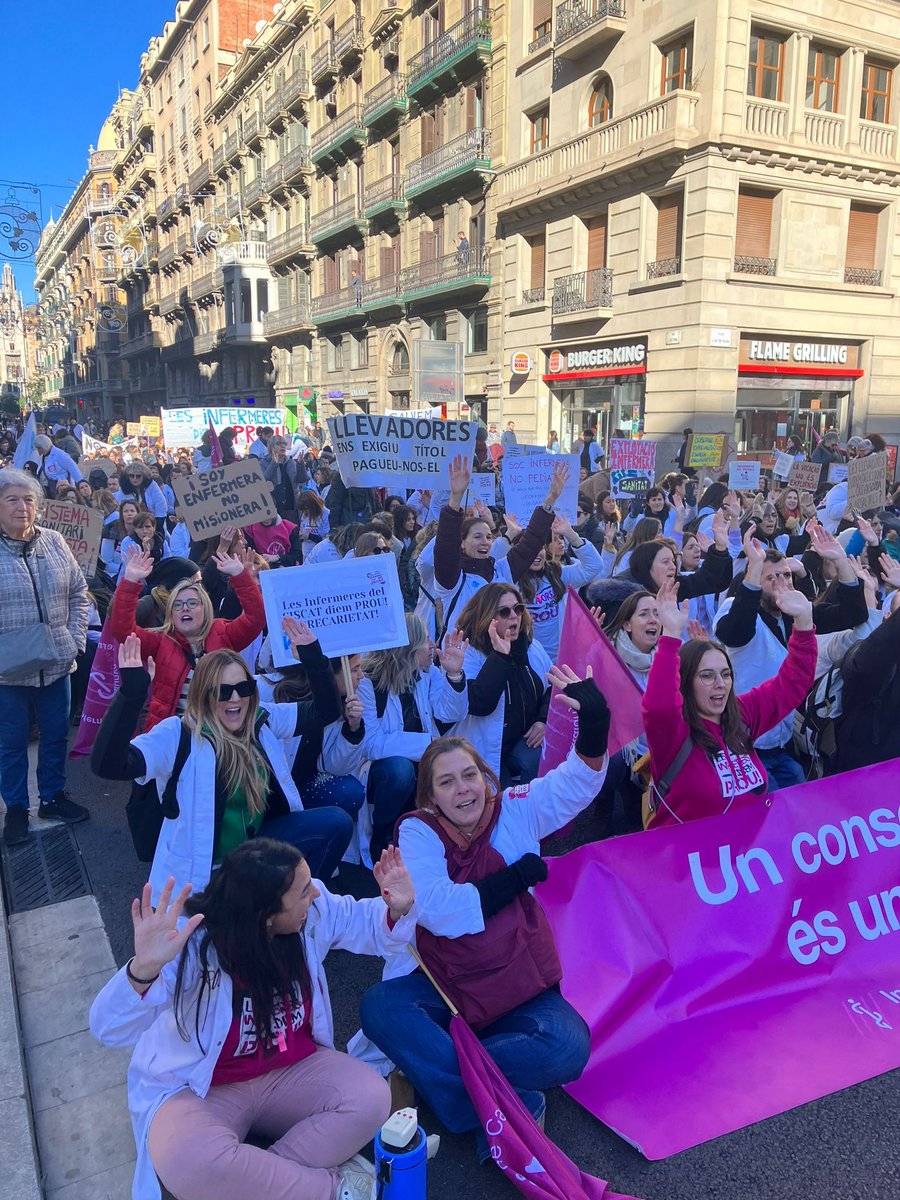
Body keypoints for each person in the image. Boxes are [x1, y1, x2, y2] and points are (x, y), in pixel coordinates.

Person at [359, 668, 610, 1153]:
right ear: (431, 798)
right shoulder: (417, 831)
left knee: (569, 1048)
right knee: (379, 1007)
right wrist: (514, 879)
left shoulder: (512, 807)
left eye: (470, 775)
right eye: (447, 783)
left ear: (486, 777)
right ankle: (499, 1102)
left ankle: (456, 1091)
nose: (464, 790)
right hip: (449, 984)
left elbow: (575, 785)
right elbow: (440, 911)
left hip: (520, 982)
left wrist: (594, 722)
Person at [89, 840, 416, 1200]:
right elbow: (106, 1027)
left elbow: (362, 922)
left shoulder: (311, 915)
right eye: (304, 892)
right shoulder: (192, 947)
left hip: (292, 1072)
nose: (316, 895)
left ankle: (258, 1181)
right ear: (267, 915)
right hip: (205, 1088)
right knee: (188, 1159)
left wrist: (396, 909)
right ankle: (333, 1189)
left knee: (370, 1096)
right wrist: (143, 970)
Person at [92, 635, 351, 892]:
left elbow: (326, 711)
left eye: (244, 688)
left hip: (257, 847)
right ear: (204, 695)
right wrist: (131, 695)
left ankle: (296, 902)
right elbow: (108, 765)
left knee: (336, 822)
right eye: (223, 691)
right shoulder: (178, 734)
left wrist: (313, 657)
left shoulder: (261, 720)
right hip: (208, 870)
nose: (235, 699)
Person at [642, 576, 817, 826]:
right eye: (706, 675)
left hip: (749, 858)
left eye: (725, 674)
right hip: (691, 861)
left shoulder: (741, 715)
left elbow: (791, 684)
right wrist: (670, 635)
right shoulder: (673, 732)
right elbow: (658, 706)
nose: (720, 683)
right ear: (685, 683)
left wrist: (803, 621)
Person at [714, 523, 867, 789]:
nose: (781, 584)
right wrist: (754, 567)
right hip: (743, 741)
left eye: (785, 576)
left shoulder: (792, 613)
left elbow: (853, 615)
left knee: (798, 799)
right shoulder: (736, 607)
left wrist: (840, 561)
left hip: (781, 738)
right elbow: (735, 631)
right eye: (770, 578)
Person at [0, 467, 90, 845]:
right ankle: (17, 809)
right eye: (12, 500)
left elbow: (78, 592)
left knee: (55, 736)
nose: (23, 507)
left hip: (57, 663)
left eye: (29, 499)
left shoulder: (54, 541)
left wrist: (74, 640)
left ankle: (52, 797)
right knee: (11, 742)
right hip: (8, 674)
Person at [109, 546, 266, 728]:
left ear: (205, 607)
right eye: (178, 605)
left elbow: (256, 618)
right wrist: (130, 581)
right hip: (173, 736)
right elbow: (122, 630)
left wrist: (241, 576)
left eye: (192, 603)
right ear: (171, 613)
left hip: (218, 733)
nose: (185, 608)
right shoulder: (161, 641)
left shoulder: (224, 633)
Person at [357, 617, 469, 860]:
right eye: (425, 639)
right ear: (407, 646)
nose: (432, 645)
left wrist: (454, 674)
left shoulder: (426, 674)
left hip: (423, 763)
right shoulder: (368, 683)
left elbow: (451, 713)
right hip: (383, 773)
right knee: (400, 770)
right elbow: (370, 744)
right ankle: (383, 836)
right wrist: (427, 744)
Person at [431, 454, 568, 635]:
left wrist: (550, 499)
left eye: (489, 537)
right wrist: (455, 498)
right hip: (465, 660)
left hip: (500, 655)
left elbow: (531, 542)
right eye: (477, 537)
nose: (485, 542)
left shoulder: (501, 570)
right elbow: (445, 549)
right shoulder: (453, 579)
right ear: (462, 543)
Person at [452, 582, 552, 786]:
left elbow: (553, 686)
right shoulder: (468, 652)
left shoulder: (530, 646)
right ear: (488, 617)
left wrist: (543, 720)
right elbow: (479, 704)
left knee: (536, 762)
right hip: (483, 748)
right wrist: (500, 656)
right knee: (498, 807)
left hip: (522, 740)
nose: (514, 616)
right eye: (504, 612)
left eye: (518, 608)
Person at [513, 515, 604, 659]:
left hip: (563, 657)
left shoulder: (556, 573)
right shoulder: (510, 580)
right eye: (529, 549)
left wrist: (570, 534)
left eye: (540, 548)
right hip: (530, 658)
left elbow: (594, 566)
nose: (536, 553)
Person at [115, 460, 167, 524]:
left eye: (138, 476)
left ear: (144, 476)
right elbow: (120, 508)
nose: (135, 478)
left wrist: (157, 523)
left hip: (153, 522)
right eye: (131, 476)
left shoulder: (152, 485)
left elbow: (161, 504)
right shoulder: (123, 489)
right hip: (130, 523)